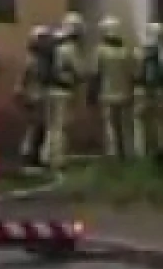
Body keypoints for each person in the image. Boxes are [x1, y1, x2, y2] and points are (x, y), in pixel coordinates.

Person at [41, 12, 85, 169]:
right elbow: (79, 71)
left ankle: (45, 156)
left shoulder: (55, 43)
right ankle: (58, 160)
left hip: (49, 89)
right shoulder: (70, 48)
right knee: (61, 126)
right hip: (64, 91)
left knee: (51, 125)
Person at [93, 16, 136, 158]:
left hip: (107, 93)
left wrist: (92, 93)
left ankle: (113, 153)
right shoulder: (125, 51)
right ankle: (129, 152)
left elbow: (95, 72)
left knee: (109, 126)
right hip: (124, 93)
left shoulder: (100, 51)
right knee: (126, 126)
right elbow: (132, 73)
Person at [132, 21, 163, 159]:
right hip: (159, 90)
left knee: (139, 121)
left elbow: (136, 70)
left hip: (142, 89)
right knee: (160, 121)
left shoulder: (140, 50)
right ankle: (162, 148)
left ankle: (140, 151)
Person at [16, 24, 56, 170]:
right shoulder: (33, 60)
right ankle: (29, 156)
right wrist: (20, 94)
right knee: (35, 128)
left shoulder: (41, 59)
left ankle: (33, 155)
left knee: (39, 128)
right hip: (34, 97)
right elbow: (22, 79)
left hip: (39, 96)